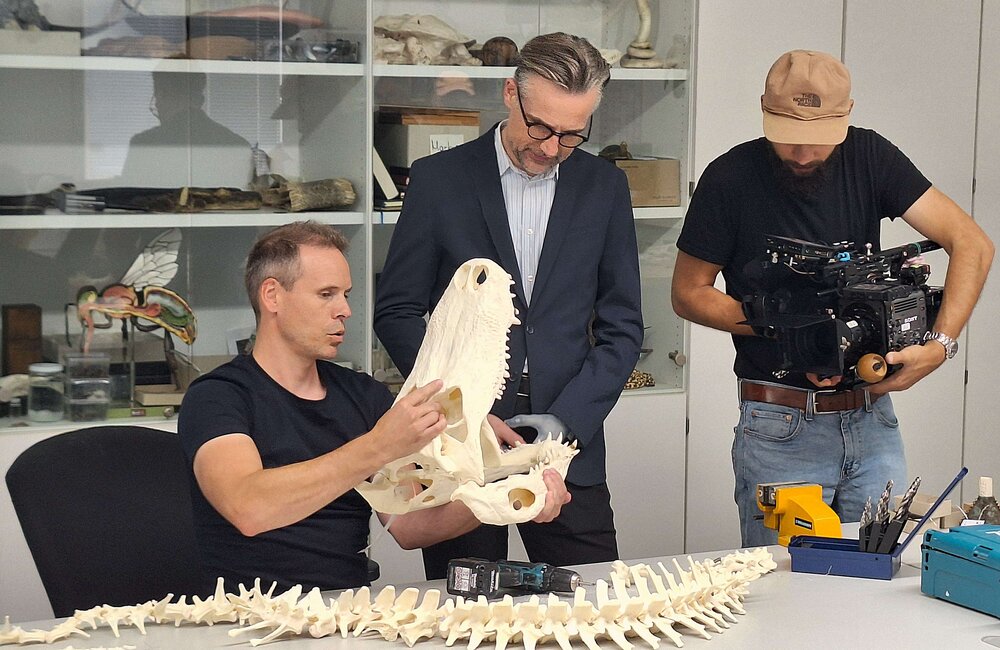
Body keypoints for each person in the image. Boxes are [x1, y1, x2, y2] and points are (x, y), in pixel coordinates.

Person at [671, 49, 994, 546]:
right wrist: (785, 327)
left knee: (883, 588)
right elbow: (688, 293)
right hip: (780, 425)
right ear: (764, 110)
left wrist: (940, 346)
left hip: (872, 418)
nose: (803, 154)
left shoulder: (872, 157)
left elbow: (971, 243)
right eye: (789, 140)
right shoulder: (729, 177)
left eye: (819, 142)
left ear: (846, 116)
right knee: (783, 594)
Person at [373, 32, 643, 579]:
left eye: (571, 135)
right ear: (508, 95)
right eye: (539, 127)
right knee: (464, 615)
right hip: (460, 451)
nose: (549, 147)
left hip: (568, 453)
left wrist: (565, 425)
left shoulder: (605, 187)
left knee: (591, 606)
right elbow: (397, 310)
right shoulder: (439, 180)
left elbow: (622, 328)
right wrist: (461, 410)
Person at [177, 221, 569, 593]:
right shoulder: (217, 396)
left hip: (347, 613)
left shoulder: (364, 396)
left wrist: (506, 497)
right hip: (243, 618)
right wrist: (380, 445)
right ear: (273, 296)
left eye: (346, 295)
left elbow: (411, 526)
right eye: (326, 294)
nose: (345, 310)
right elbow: (249, 507)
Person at [120, 68, 252, 188]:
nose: (156, 105)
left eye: (156, 96)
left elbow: (127, 202)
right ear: (199, 98)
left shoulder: (144, 144)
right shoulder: (238, 145)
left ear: (161, 94)